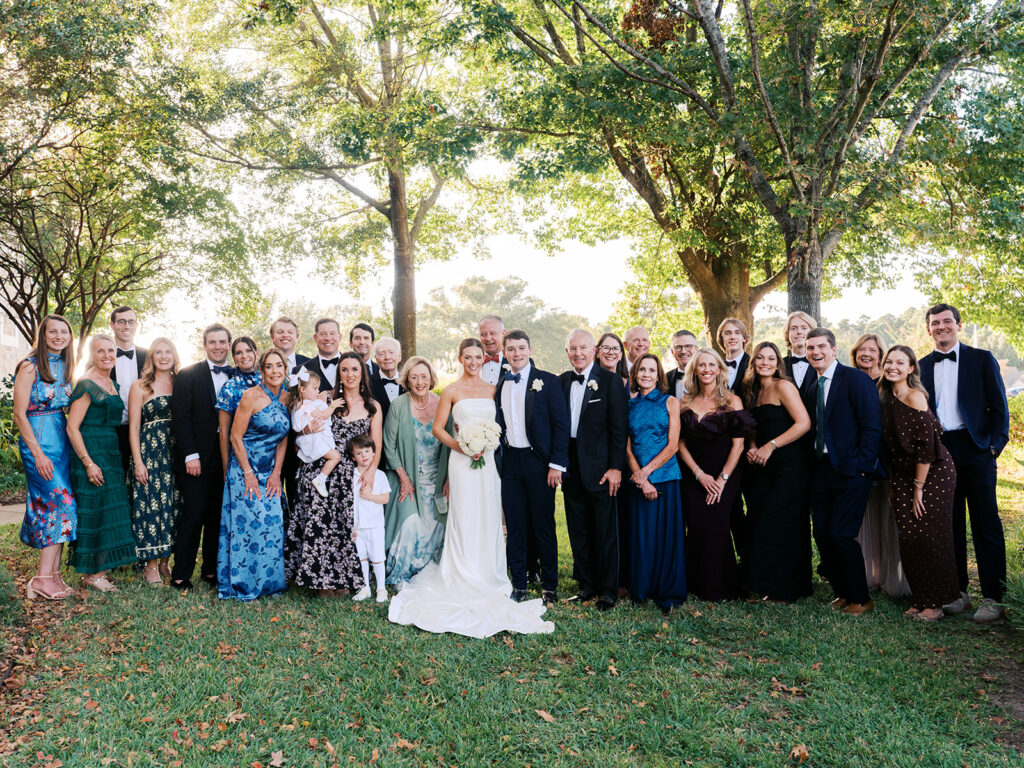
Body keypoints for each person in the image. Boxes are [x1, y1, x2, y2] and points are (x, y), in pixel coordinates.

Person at [388, 338, 553, 637]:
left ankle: (489, 573)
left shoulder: (495, 389)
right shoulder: (450, 390)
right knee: (463, 517)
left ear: (484, 359)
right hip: (462, 464)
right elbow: (439, 428)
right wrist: (462, 446)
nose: (474, 361)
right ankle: (461, 572)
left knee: (488, 516)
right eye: (468, 356)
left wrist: (485, 444)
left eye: (478, 356)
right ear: (460, 358)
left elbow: (506, 426)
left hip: (488, 464)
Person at [918, 304, 1009, 623]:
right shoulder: (921, 366)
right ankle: (957, 592)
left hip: (976, 448)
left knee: (986, 523)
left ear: (958, 325)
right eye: (935, 323)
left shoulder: (981, 358)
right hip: (942, 451)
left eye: (946, 322)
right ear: (928, 329)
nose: (941, 327)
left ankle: (993, 597)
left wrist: (994, 446)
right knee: (949, 523)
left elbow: (1000, 407)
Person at [286, 352, 381, 594]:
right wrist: (306, 429)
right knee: (319, 522)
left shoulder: (373, 406)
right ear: (339, 373)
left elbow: (376, 445)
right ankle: (317, 579)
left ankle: (344, 578)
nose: (350, 374)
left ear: (362, 374)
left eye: (355, 370)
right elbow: (301, 429)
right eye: (345, 370)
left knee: (346, 526)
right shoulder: (324, 398)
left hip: (352, 470)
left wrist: (369, 473)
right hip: (321, 465)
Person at [803, 327, 882, 615]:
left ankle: (861, 598)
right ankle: (841, 591)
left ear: (834, 349)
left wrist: (863, 467)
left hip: (851, 470)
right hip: (821, 469)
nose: (815, 352)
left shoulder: (856, 379)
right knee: (822, 532)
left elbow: (872, 426)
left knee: (841, 533)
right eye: (810, 348)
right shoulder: (813, 384)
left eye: (821, 346)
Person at [879, 345, 959, 622]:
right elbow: (888, 448)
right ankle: (920, 597)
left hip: (932, 474)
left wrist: (918, 489)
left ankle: (935, 604)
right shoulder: (885, 396)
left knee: (928, 535)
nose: (893, 367)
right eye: (889, 361)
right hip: (902, 474)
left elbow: (927, 448)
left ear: (911, 368)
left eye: (900, 363)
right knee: (909, 536)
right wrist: (892, 485)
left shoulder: (915, 397)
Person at [495, 329, 570, 604]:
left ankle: (550, 585)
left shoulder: (547, 382)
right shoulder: (502, 383)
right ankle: (519, 584)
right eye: (511, 349)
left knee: (543, 525)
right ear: (505, 352)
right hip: (511, 463)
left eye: (521, 348)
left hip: (540, 463)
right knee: (514, 525)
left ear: (529, 349)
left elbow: (561, 425)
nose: (516, 353)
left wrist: (556, 465)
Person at [558, 330, 628, 610]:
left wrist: (615, 468)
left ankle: (608, 590)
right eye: (572, 348)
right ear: (567, 352)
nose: (578, 353)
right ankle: (586, 585)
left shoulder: (610, 381)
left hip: (601, 467)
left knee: (604, 530)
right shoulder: (561, 382)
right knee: (578, 529)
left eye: (583, 348)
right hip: (570, 466)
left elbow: (619, 429)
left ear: (594, 350)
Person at [677, 348, 753, 602]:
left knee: (717, 526)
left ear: (720, 369)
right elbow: (680, 444)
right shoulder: (684, 402)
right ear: (694, 370)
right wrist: (699, 474)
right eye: (702, 365)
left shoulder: (732, 401)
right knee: (696, 526)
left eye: (712, 365)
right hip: (693, 475)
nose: (707, 369)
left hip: (725, 474)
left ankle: (721, 586)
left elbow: (738, 445)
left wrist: (722, 479)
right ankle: (695, 583)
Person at [740, 342, 812, 602]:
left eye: (771, 358)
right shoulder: (752, 391)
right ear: (754, 362)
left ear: (778, 363)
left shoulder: (783, 386)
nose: (765, 362)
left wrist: (770, 447)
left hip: (788, 464)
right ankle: (760, 583)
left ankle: (786, 587)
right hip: (760, 464)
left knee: (782, 522)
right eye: (760, 358)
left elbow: (803, 423)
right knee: (759, 520)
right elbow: (750, 427)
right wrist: (751, 447)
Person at [66, 334, 137, 591]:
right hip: (90, 451)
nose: (107, 355)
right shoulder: (86, 383)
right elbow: (72, 428)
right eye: (101, 351)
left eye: (111, 351)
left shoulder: (113, 384)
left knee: (110, 507)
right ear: (91, 355)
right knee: (94, 508)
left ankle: (101, 569)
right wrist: (88, 463)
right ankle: (92, 574)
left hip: (110, 451)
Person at [217, 348, 290, 601]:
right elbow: (235, 436)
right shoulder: (250, 396)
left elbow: (283, 438)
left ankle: (270, 584)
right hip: (244, 468)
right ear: (261, 371)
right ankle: (243, 585)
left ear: (285, 369)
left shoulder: (288, 398)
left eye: (279, 365)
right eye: (269, 366)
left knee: (272, 525)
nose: (274, 371)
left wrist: (277, 473)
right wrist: (247, 473)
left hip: (270, 471)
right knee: (249, 525)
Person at [14, 315, 77, 600]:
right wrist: (37, 453)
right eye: (53, 331)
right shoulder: (30, 366)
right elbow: (18, 414)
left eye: (64, 332)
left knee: (64, 506)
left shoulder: (65, 366)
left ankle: (53, 574)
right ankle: (40, 579)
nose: (59, 336)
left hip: (60, 439)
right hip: (38, 442)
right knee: (57, 504)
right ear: (43, 334)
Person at [170, 323, 234, 590]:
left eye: (222, 342)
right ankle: (181, 574)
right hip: (196, 458)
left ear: (229, 345)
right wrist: (190, 455)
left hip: (226, 458)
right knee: (194, 514)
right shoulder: (188, 374)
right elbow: (181, 418)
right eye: (212, 342)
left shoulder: (236, 374)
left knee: (217, 516)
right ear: (204, 345)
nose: (218, 346)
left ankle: (210, 570)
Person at [624, 353, 687, 613]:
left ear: (658, 374)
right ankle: (641, 588)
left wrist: (647, 473)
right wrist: (639, 477)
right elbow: (626, 448)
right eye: (642, 370)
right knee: (641, 536)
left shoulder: (670, 401)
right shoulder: (628, 404)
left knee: (666, 536)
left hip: (665, 477)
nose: (646, 374)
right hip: (638, 479)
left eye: (652, 370)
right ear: (635, 374)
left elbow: (673, 445)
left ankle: (667, 591)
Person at [850, 332, 909, 597]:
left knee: (889, 516)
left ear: (880, 355)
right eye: (861, 349)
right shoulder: (850, 380)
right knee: (865, 517)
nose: (866, 354)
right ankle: (867, 575)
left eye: (872, 350)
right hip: (860, 458)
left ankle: (893, 578)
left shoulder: (889, 382)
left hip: (889, 457)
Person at [383, 357, 449, 586]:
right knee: (411, 521)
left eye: (424, 376)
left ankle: (433, 569)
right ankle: (402, 570)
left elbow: (450, 445)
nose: (419, 381)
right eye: (414, 377)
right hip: (405, 479)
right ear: (407, 381)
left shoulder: (442, 404)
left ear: (431, 379)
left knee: (441, 522)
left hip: (436, 481)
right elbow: (388, 445)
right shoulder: (399, 405)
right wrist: (404, 479)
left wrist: (447, 480)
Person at [128, 338, 182, 586]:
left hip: (175, 454)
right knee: (150, 507)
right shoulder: (140, 386)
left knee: (172, 506)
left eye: (167, 351)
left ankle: (164, 562)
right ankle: (149, 565)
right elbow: (134, 427)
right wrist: (138, 462)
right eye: (157, 352)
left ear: (174, 355)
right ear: (150, 357)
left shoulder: (180, 383)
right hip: (149, 453)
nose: (163, 356)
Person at [715, 318, 751, 564]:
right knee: (730, 506)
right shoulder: (714, 365)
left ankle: (749, 559)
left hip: (749, 445)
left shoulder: (755, 364)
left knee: (749, 507)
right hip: (719, 446)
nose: (732, 337)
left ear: (745, 338)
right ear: (721, 339)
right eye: (727, 333)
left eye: (737, 332)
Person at [270, 316, 308, 504]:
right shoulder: (263, 367)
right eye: (280, 332)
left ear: (297, 337)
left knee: (298, 498)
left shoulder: (310, 365)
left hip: (302, 442)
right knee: (272, 497)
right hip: (270, 443)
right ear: (272, 337)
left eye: (289, 332)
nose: (285, 335)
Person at [289, 369, 344, 498]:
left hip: (307, 439)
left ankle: (299, 469)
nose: (317, 391)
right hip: (314, 440)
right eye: (314, 388)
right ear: (302, 389)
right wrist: (333, 406)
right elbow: (324, 415)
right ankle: (321, 479)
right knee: (335, 456)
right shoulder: (307, 405)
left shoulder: (299, 404)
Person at [350, 434, 391, 603]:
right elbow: (350, 502)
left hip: (374, 524)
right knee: (361, 557)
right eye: (359, 453)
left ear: (374, 453)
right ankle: (365, 587)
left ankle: (381, 589)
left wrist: (369, 496)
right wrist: (351, 525)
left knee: (377, 557)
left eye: (367, 451)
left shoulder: (379, 475)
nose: (364, 456)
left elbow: (385, 499)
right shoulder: (351, 476)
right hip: (358, 526)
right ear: (353, 457)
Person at [109, 305, 147, 476]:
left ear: (136, 325)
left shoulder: (148, 357)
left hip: (144, 431)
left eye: (131, 322)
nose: (127, 326)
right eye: (122, 322)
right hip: (112, 431)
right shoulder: (102, 356)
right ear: (112, 325)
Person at [217, 337, 261, 471]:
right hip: (240, 460)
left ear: (256, 353)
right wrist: (226, 468)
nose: (244, 356)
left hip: (270, 458)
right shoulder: (230, 387)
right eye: (238, 353)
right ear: (234, 358)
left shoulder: (270, 380)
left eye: (248, 350)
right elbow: (224, 432)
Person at [781, 311, 817, 400]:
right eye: (793, 328)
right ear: (787, 333)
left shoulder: (823, 363)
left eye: (804, 328)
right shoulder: (779, 365)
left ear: (812, 332)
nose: (799, 332)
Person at [302, 318, 342, 393]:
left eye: (332, 333)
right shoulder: (302, 370)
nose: (328, 338)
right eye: (323, 334)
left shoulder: (357, 367)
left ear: (339, 337)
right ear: (315, 338)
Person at [370, 337, 405, 422]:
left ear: (399, 356)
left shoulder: (409, 382)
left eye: (391, 352)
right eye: (382, 354)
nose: (387, 357)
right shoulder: (368, 384)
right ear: (376, 358)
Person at [667, 329, 699, 400]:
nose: (683, 351)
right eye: (678, 347)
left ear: (697, 350)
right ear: (672, 352)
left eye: (688, 346)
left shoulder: (707, 376)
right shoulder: (665, 379)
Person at [478, 314, 506, 386]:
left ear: (503, 333)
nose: (488, 338)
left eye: (492, 333)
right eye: (483, 334)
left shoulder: (518, 361)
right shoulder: (472, 362)